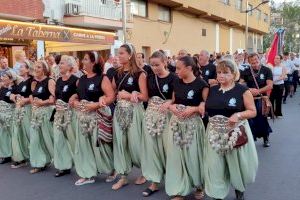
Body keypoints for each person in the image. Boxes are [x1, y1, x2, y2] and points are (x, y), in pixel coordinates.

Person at [203, 59, 258, 200]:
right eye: (219, 72)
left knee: (236, 165)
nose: (221, 75)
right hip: (214, 132)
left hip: (234, 133)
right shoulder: (212, 89)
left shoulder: (242, 90)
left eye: (225, 73)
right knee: (215, 165)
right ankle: (217, 193)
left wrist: (238, 114)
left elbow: (252, 111)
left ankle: (239, 189)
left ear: (234, 74)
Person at [165, 56, 208, 200]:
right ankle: (179, 189)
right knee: (176, 158)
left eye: (178, 68)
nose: (175, 71)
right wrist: (171, 107)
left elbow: (205, 107)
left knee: (194, 157)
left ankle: (199, 185)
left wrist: (194, 109)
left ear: (189, 68)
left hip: (193, 126)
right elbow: (173, 100)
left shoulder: (202, 84)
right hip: (176, 124)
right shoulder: (176, 82)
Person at [70, 51, 116, 185]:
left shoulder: (102, 78)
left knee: (100, 146)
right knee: (84, 146)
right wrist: (74, 99)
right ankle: (87, 174)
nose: (82, 61)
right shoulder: (81, 79)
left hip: (97, 116)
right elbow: (78, 95)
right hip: (83, 117)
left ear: (93, 62)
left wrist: (95, 105)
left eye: (85, 59)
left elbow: (110, 96)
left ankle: (111, 170)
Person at [111, 44, 148, 190]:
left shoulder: (140, 73)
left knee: (136, 144)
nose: (118, 56)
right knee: (120, 143)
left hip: (134, 112)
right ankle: (123, 176)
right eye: (118, 53)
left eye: (121, 53)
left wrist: (130, 95)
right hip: (119, 111)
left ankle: (145, 171)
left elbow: (145, 97)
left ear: (130, 55)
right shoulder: (117, 73)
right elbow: (112, 91)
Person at [141, 51, 177, 197]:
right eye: (152, 65)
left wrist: (169, 101)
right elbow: (145, 96)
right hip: (150, 116)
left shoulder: (174, 78)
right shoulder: (149, 78)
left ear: (165, 62)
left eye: (157, 64)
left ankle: (173, 179)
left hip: (167, 117)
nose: (155, 68)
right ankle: (154, 182)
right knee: (152, 148)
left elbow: (176, 97)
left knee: (169, 149)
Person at [240, 53, 273, 147]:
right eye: (252, 61)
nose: (255, 62)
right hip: (249, 99)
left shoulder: (267, 70)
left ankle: (266, 138)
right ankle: (251, 140)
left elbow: (270, 85)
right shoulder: (245, 71)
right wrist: (249, 90)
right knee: (250, 120)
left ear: (259, 59)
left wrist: (258, 91)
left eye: (256, 60)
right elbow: (241, 84)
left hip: (261, 99)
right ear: (249, 62)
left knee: (262, 119)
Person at [53, 55, 78, 177]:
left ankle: (81, 165)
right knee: (59, 140)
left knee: (73, 140)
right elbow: (56, 96)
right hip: (59, 114)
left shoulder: (75, 80)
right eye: (59, 63)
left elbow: (81, 94)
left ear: (69, 66)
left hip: (71, 114)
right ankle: (63, 166)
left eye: (62, 63)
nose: (59, 65)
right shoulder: (58, 80)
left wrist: (75, 97)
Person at [29, 60, 56, 174]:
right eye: (35, 67)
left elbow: (53, 99)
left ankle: (61, 163)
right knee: (35, 140)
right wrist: (32, 101)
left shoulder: (49, 81)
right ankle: (39, 163)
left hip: (47, 114)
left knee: (50, 139)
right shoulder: (34, 82)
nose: (36, 69)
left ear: (44, 69)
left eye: (39, 67)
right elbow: (32, 95)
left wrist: (41, 103)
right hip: (35, 115)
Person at [10, 61, 33, 168]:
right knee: (18, 134)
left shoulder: (32, 81)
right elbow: (13, 93)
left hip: (28, 110)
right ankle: (21, 158)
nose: (20, 68)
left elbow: (34, 95)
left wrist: (25, 100)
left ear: (28, 69)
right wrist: (14, 97)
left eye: (22, 67)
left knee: (29, 134)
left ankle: (33, 156)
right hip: (19, 110)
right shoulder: (20, 82)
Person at [0, 70, 19, 164]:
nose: (2, 78)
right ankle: (6, 155)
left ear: (11, 79)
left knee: (13, 135)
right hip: (2, 115)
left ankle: (17, 155)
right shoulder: (2, 88)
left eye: (4, 76)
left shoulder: (15, 88)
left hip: (11, 115)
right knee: (3, 136)